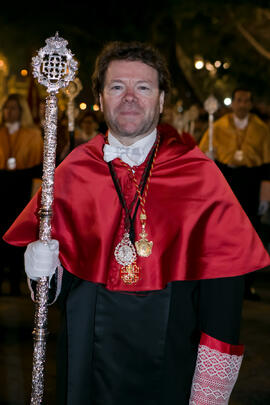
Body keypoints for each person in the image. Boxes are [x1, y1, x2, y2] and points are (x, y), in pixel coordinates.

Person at [3, 42, 270, 404]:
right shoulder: (72, 171)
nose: (129, 97)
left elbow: (224, 289)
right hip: (86, 357)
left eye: (143, 87)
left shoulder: (198, 175)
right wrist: (43, 276)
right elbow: (56, 290)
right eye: (117, 87)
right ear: (100, 98)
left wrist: (209, 393)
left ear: (160, 101)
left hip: (173, 356)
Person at [199, 88, 270, 300]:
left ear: (250, 104)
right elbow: (203, 159)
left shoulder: (261, 128)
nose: (242, 104)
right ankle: (224, 280)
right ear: (233, 103)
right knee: (225, 232)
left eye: (246, 101)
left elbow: (267, 164)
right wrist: (208, 157)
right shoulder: (217, 127)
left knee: (251, 234)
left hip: (252, 182)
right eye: (238, 100)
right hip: (228, 180)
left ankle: (247, 284)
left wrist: (265, 195)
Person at [0, 93, 43, 295]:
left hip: (21, 189)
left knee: (17, 236)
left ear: (21, 111)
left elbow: (37, 165)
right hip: (1, 188)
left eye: (14, 108)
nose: (9, 112)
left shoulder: (32, 135)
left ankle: (17, 281)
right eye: (6, 108)